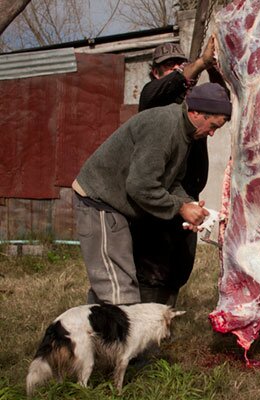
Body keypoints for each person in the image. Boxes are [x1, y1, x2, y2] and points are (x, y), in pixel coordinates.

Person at [73, 82, 232, 306]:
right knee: (119, 292)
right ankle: (125, 339)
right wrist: (180, 208)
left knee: (111, 285)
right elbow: (140, 185)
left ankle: (96, 335)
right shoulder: (165, 126)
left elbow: (171, 180)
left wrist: (189, 204)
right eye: (213, 125)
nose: (213, 134)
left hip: (115, 206)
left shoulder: (184, 132)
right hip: (100, 202)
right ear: (196, 112)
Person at [131, 38, 226, 306]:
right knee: (152, 271)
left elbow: (222, 103)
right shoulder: (153, 96)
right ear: (155, 72)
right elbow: (161, 90)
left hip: (189, 196)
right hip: (157, 198)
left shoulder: (195, 104)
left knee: (178, 267)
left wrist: (214, 68)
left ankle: (163, 323)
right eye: (167, 65)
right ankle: (145, 328)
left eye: (178, 63)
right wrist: (197, 65)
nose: (174, 68)